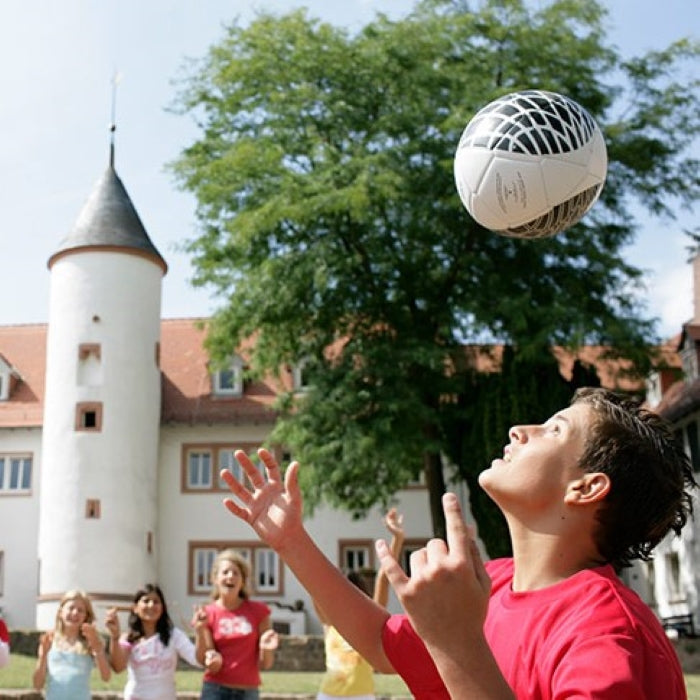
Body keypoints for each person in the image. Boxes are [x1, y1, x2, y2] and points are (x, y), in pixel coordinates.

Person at [218, 388, 696, 699]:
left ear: (586, 488)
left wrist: (457, 642)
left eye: (555, 429)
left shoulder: (607, 632)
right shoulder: (492, 584)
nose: (519, 429)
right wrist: (291, 542)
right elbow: (382, 646)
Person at [315, 508, 405, 700]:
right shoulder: (329, 623)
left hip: (362, 696)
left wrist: (397, 538)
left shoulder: (369, 622)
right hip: (328, 695)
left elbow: (383, 578)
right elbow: (313, 584)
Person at [191, 547, 279, 699]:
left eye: (236, 573)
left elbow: (265, 664)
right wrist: (201, 631)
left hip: (248, 692)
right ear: (215, 579)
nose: (230, 576)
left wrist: (266, 649)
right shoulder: (207, 613)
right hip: (215, 690)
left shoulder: (259, 611)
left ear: (243, 581)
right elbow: (203, 659)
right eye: (225, 572)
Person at [105, 583, 205, 700]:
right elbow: (118, 667)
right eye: (146, 601)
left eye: (156, 601)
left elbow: (197, 659)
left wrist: (201, 631)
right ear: (135, 608)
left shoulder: (174, 635)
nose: (151, 605)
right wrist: (114, 636)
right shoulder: (129, 639)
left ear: (163, 608)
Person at [32, 589, 111, 699]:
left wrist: (97, 648)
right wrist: (43, 655)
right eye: (71, 608)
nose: (75, 613)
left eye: (80, 610)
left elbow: (106, 676)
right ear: (60, 612)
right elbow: (37, 685)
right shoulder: (50, 641)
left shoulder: (90, 642)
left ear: (86, 616)